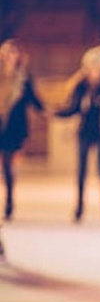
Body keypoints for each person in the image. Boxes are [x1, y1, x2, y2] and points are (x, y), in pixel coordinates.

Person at [55, 44, 100, 222]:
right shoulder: (81, 86)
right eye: (90, 66)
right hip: (84, 132)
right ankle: (79, 208)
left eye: (96, 65)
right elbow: (73, 108)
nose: (93, 69)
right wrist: (55, 113)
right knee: (81, 172)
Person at [0, 38, 44, 221]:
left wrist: (46, 111)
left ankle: (9, 202)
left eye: (13, 53)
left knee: (8, 165)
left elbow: (33, 98)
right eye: (7, 53)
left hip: (13, 127)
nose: (10, 57)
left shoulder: (24, 77)